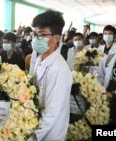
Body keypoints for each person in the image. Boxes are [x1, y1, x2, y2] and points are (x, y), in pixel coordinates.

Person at [30, 10, 72, 140]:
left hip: (50, 134)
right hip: (36, 124)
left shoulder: (58, 69)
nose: (36, 39)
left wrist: (30, 137)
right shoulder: (39, 60)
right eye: (35, 34)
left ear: (56, 38)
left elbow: (50, 114)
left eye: (41, 35)